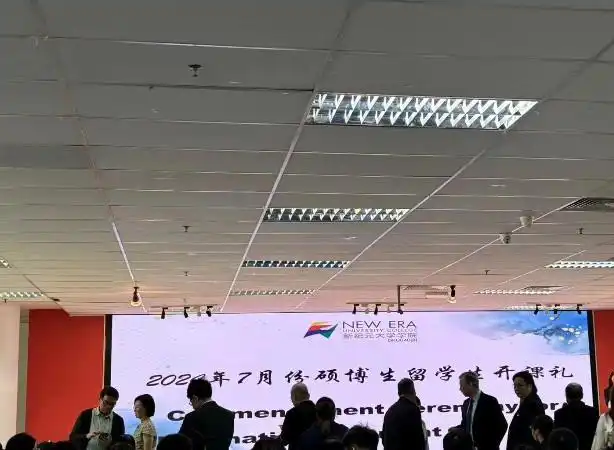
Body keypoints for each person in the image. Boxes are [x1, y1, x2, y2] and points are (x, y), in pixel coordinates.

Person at [455, 371, 508, 450]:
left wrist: (492, 445)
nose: (460, 389)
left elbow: (502, 425)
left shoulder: (489, 401)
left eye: (462, 385)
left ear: (471, 384)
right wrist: (455, 430)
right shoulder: (466, 403)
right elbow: (466, 425)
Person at [179, 378, 234, 450]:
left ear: (195, 398)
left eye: (191, 402)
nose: (192, 406)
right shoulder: (229, 415)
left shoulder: (192, 417)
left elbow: (180, 443)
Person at [382, 378, 425, 450]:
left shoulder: (390, 411)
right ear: (413, 391)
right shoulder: (413, 409)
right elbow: (417, 440)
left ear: (398, 393)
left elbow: (384, 438)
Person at [507, 371, 546, 450]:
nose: (516, 389)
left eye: (520, 385)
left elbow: (531, 434)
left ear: (529, 386)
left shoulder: (533, 405)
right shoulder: (526, 401)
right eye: (514, 386)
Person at [554, 383, 599, 450]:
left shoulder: (559, 414)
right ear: (582, 395)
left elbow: (556, 437)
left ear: (566, 397)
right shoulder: (593, 412)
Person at [280, 383, 316, 450]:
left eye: (291, 397)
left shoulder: (291, 413)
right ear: (308, 395)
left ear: (294, 397)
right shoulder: (319, 411)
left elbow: (284, 440)